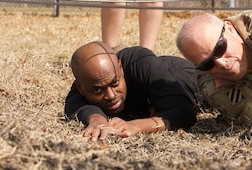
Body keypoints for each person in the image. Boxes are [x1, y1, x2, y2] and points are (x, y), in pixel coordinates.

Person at [64, 41, 205, 139]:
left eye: (114, 83)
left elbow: (183, 113)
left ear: (121, 68)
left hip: (195, 80)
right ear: (80, 88)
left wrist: (136, 126)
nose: (111, 95)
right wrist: (95, 119)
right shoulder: (88, 78)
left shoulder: (143, 64)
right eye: (97, 90)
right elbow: (73, 103)